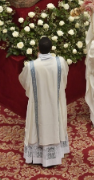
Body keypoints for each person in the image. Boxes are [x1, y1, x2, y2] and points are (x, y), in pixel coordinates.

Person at [19, 37, 70, 167]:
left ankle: (37, 157)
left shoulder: (31, 66)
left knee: (37, 125)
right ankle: (57, 151)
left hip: (39, 104)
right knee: (56, 121)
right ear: (51, 48)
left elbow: (23, 81)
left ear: (38, 49)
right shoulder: (60, 62)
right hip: (55, 101)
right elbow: (64, 78)